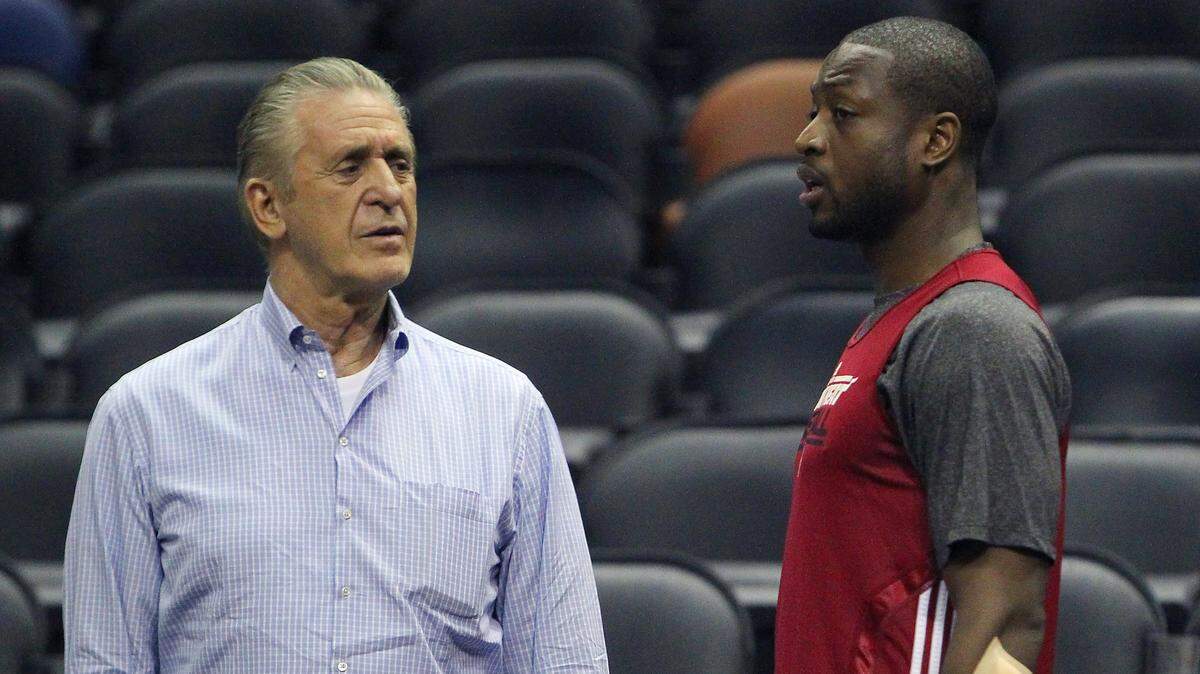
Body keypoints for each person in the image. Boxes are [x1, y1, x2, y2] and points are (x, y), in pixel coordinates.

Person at [64, 57, 609, 673]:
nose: (388, 190)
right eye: (351, 167)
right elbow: (105, 662)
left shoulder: (505, 411)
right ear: (269, 207)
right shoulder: (144, 416)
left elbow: (565, 661)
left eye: (400, 164)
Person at [775, 17, 1070, 674]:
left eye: (843, 114)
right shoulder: (905, 320)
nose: (807, 139)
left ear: (935, 140)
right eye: (812, 112)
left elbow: (1007, 626)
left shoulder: (973, 330)